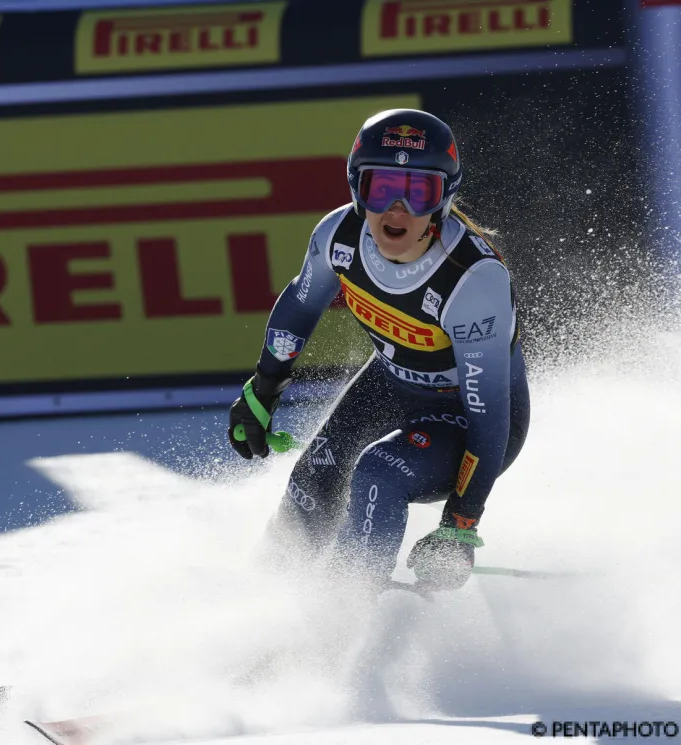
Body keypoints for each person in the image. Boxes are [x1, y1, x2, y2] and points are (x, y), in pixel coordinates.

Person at [227, 108, 530, 593]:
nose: (399, 210)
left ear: (444, 199)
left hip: (471, 423)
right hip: (392, 381)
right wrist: (261, 393)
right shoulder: (338, 235)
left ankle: (342, 622)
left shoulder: (473, 281)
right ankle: (260, 598)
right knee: (314, 475)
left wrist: (459, 526)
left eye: (419, 191)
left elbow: (488, 418)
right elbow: (298, 311)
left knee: (377, 473)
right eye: (382, 188)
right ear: (355, 187)